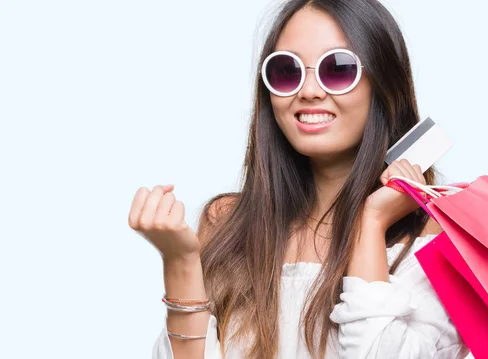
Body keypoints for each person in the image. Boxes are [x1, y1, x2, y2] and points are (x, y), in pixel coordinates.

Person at [128, 0, 469, 358]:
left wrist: (371, 224)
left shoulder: (433, 241)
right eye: (286, 71)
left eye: (337, 69)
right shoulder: (228, 224)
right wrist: (180, 261)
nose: (308, 91)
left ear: (383, 84)